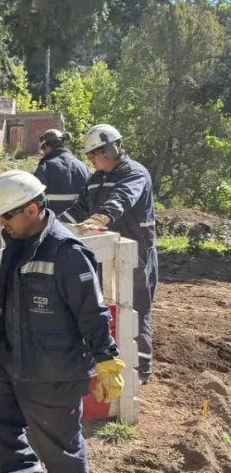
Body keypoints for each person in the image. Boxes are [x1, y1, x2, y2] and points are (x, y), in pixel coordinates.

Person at [0, 171, 126, 473]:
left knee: (57, 439)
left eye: (7, 215)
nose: (2, 223)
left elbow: (93, 313)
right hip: (13, 354)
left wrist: (106, 360)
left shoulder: (67, 253)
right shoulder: (18, 240)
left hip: (55, 366)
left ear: (32, 209)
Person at [60, 124, 157, 383]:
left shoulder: (134, 173)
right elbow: (78, 209)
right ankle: (112, 361)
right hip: (105, 254)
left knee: (135, 310)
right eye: (89, 155)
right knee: (106, 308)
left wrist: (103, 216)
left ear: (111, 150)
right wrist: (53, 226)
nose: (91, 159)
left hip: (136, 255)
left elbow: (123, 197)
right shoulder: (96, 180)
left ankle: (140, 370)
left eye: (95, 154)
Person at [33, 129, 90, 216]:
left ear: (47, 146)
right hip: (80, 222)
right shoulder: (84, 167)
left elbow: (34, 199)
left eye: (43, 149)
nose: (43, 153)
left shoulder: (45, 167)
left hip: (54, 222)